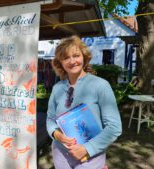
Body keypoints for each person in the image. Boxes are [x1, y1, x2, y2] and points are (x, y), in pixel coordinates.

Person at [46, 35, 122, 169]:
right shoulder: (57, 88)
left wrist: (87, 149)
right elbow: (50, 120)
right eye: (66, 57)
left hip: (89, 158)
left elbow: (114, 127)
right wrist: (57, 135)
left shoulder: (101, 85)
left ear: (84, 57)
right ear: (60, 63)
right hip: (61, 156)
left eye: (76, 55)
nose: (72, 61)